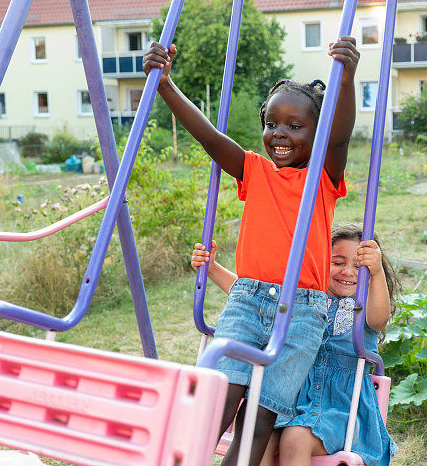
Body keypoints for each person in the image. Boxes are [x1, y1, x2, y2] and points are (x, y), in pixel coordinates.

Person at [143, 35, 359, 466]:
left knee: (258, 421)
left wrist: (347, 80)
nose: (279, 133)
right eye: (272, 123)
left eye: (295, 126)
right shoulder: (254, 170)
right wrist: (165, 85)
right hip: (248, 300)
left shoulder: (322, 177)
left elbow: (338, 140)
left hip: (302, 313)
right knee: (218, 402)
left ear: (316, 132)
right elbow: (208, 137)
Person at [192, 224, 399, 466]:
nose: (348, 272)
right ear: (320, 263)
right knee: (260, 437)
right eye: (338, 262)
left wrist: (376, 273)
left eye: (358, 266)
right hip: (292, 402)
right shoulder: (307, 302)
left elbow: (380, 318)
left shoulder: (364, 308)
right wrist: (212, 268)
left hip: (341, 410)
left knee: (295, 439)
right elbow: (263, 300)